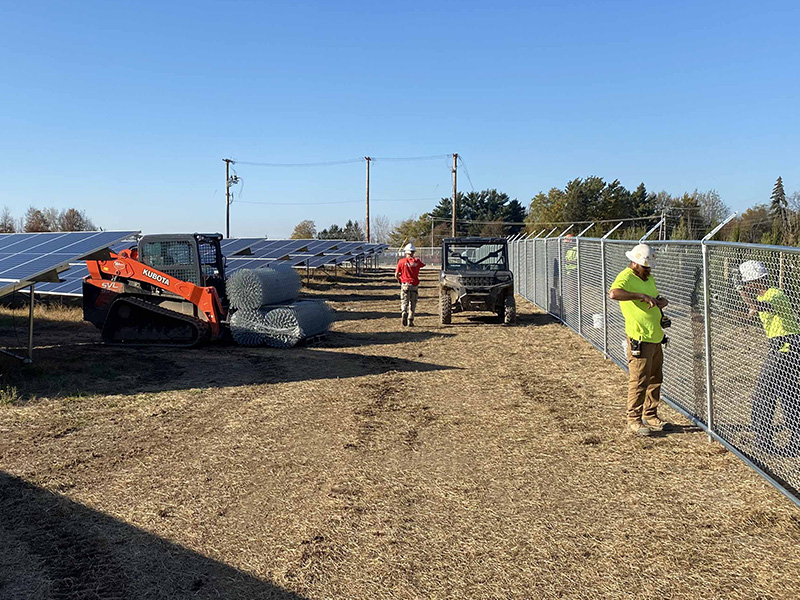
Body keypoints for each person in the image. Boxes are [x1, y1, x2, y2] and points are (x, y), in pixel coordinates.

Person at [736, 260, 800, 454]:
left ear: (758, 280)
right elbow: (751, 311)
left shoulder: (775, 295)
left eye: (748, 282)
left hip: (786, 347)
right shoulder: (760, 296)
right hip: (782, 347)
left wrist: (741, 291)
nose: (747, 285)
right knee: (789, 396)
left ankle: (764, 441)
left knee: (763, 395)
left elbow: (761, 307)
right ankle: (795, 442)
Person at [608, 243, 671, 436]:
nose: (648, 270)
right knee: (639, 379)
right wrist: (640, 295)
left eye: (649, 266)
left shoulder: (648, 277)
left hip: (655, 336)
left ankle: (650, 414)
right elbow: (614, 293)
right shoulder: (626, 277)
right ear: (635, 263)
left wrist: (660, 302)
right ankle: (633, 419)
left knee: (655, 378)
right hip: (639, 337)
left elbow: (654, 297)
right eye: (645, 266)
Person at [395, 243, 425, 327]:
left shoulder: (401, 261)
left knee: (404, 301)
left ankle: (404, 311)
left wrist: (399, 280)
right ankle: (410, 320)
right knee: (413, 303)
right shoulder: (417, 261)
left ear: (405, 252)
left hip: (405, 284)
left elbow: (396, 274)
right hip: (414, 284)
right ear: (413, 252)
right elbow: (422, 265)